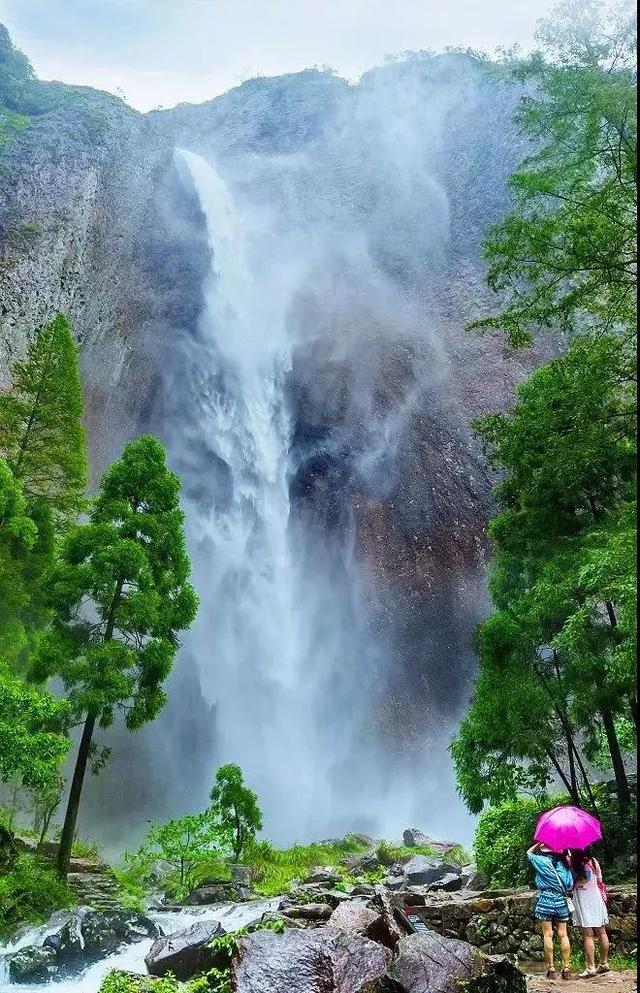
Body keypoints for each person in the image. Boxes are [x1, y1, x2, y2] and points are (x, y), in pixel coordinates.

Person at [527, 841, 574, 979]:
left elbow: (529, 853)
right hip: (560, 901)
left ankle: (551, 968)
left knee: (548, 935)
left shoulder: (540, 861)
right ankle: (566, 967)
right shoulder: (564, 864)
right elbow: (570, 884)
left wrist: (539, 844)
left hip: (545, 900)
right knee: (563, 935)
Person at [569, 848, 610, 978]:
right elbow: (600, 880)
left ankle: (590, 967)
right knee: (602, 932)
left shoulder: (574, 864)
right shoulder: (593, 861)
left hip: (583, 899)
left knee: (588, 935)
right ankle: (604, 963)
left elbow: (569, 884)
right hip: (596, 897)